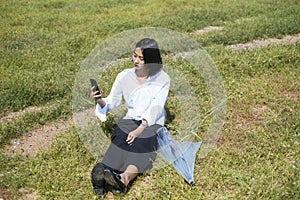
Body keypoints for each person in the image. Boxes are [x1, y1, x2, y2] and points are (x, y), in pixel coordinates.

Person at [91, 38, 170, 196]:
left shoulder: (162, 79)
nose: (136, 61)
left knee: (141, 147)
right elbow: (112, 101)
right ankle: (103, 174)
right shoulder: (124, 76)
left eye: (141, 58)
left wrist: (140, 129)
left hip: (151, 123)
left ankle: (123, 179)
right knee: (120, 140)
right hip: (130, 119)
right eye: (135, 56)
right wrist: (99, 100)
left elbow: (156, 108)